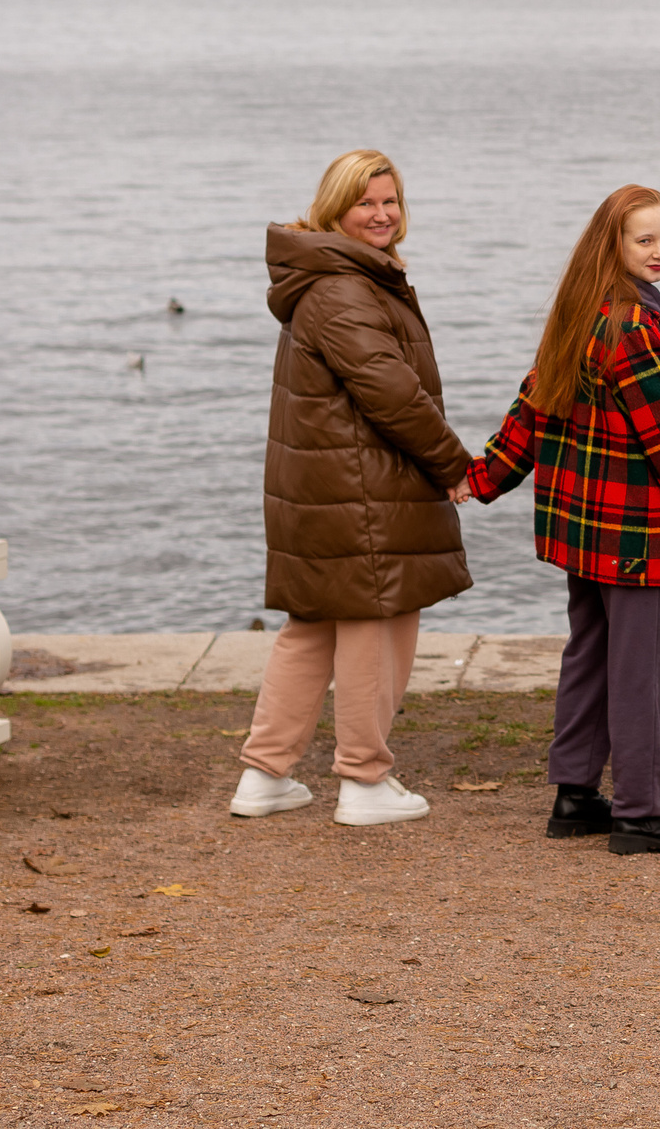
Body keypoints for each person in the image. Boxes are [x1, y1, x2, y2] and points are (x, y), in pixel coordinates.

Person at [468, 185, 660, 855]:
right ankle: (641, 810)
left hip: (583, 532)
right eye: (644, 239)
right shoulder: (635, 333)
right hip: (635, 536)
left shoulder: (580, 314)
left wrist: (483, 477)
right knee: (639, 670)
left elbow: (529, 412)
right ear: (614, 246)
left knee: (590, 656)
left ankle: (574, 793)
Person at [234, 149, 475, 827]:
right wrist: (453, 464)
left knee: (310, 629)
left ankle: (264, 773)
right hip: (363, 492)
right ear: (335, 208)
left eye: (390, 201)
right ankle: (364, 780)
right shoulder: (343, 288)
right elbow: (393, 394)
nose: (381, 214)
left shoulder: (336, 277)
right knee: (379, 624)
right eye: (366, 202)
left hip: (325, 489)